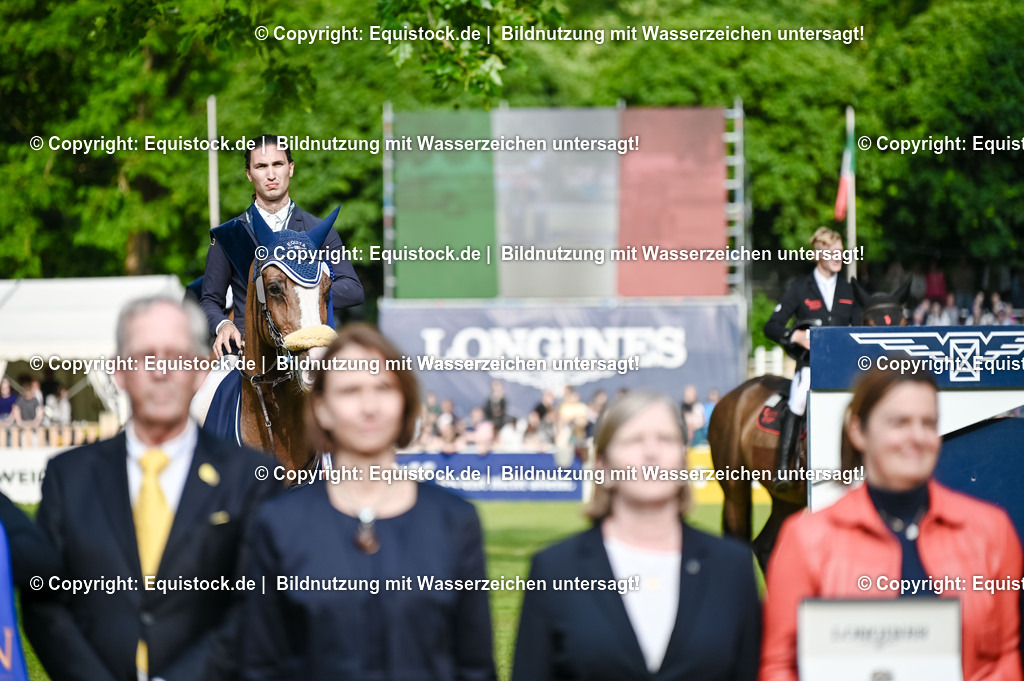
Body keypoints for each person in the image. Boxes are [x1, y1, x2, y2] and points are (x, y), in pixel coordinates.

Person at [23, 297, 281, 681]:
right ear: (119, 371)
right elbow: (45, 603)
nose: (161, 371)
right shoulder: (68, 477)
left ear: (199, 369)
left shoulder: (253, 480)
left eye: (177, 357)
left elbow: (259, 603)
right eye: (145, 356)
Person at [240, 324, 496, 681]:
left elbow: (475, 667)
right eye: (350, 390)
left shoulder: (454, 521)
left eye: (383, 388)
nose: (369, 406)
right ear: (322, 408)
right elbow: (260, 667)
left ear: (405, 402)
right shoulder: (279, 525)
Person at [759, 365, 1023, 681]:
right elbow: (778, 666)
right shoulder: (805, 539)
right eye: (899, 422)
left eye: (928, 423)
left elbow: (1004, 656)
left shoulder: (991, 531)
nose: (916, 437)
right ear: (858, 430)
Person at [512, 390, 761, 681]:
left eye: (666, 440)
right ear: (602, 467)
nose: (651, 452)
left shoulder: (731, 566)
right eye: (633, 440)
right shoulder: (554, 568)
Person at [200, 133, 364, 358]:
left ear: (291, 168)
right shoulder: (228, 235)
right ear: (249, 174)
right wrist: (222, 326)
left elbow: (354, 289)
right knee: (206, 393)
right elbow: (210, 299)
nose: (270, 174)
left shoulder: (319, 230)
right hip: (248, 353)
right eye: (261, 166)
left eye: (278, 164)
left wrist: (307, 293)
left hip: (309, 346)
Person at [764, 227, 861, 490]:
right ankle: (783, 468)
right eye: (833, 253)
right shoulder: (799, 288)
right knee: (797, 400)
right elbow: (771, 326)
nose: (839, 257)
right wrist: (794, 336)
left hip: (842, 368)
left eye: (841, 252)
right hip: (810, 366)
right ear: (818, 254)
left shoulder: (848, 290)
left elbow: (861, 328)